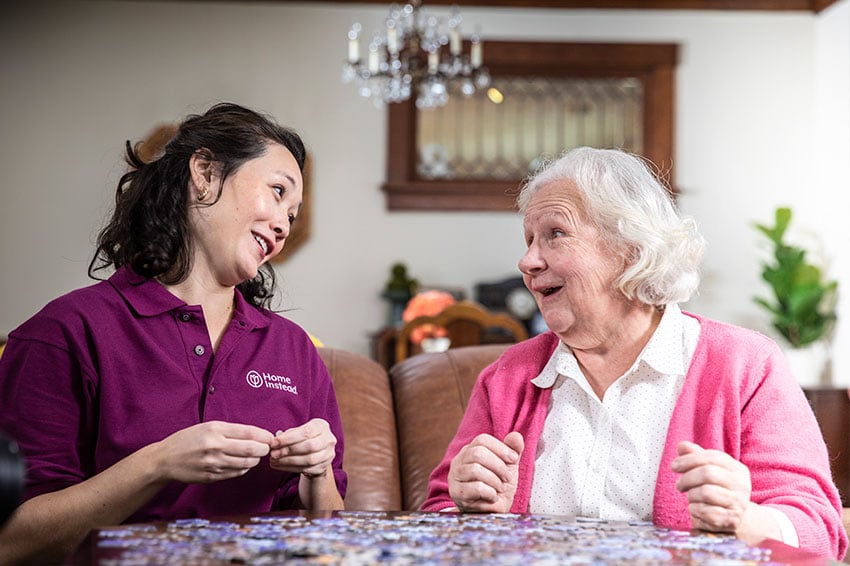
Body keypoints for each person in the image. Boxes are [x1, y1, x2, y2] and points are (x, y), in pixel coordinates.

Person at [421, 147, 847, 559]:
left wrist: (750, 521)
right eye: (529, 240)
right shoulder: (507, 378)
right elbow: (433, 518)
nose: (527, 261)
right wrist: (467, 508)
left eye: (555, 234)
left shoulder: (745, 365)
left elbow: (821, 531)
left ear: (630, 247)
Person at [0, 103, 345, 564]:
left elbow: (330, 535)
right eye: (277, 191)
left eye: (294, 214)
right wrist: (157, 463)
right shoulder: (64, 333)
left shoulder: (293, 349)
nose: (283, 226)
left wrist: (318, 474)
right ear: (203, 172)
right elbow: (13, 541)